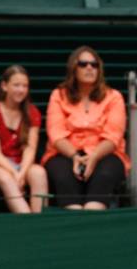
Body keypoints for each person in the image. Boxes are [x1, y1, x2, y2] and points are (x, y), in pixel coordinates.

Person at [42, 47, 130, 211]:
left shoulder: (114, 96)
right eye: (83, 64)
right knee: (63, 177)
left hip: (105, 152)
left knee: (104, 175)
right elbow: (56, 134)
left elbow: (113, 136)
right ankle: (74, 227)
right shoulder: (58, 95)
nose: (89, 68)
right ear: (73, 68)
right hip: (65, 153)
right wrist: (75, 156)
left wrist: (94, 156)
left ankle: (93, 221)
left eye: (94, 64)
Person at [0, 65, 47, 214]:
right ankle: (29, 223)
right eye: (16, 85)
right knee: (6, 178)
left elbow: (30, 148)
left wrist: (22, 172)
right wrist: (15, 174)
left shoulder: (32, 112)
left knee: (39, 173)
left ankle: (42, 221)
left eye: (25, 86)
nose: (21, 90)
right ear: (4, 86)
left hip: (20, 164)